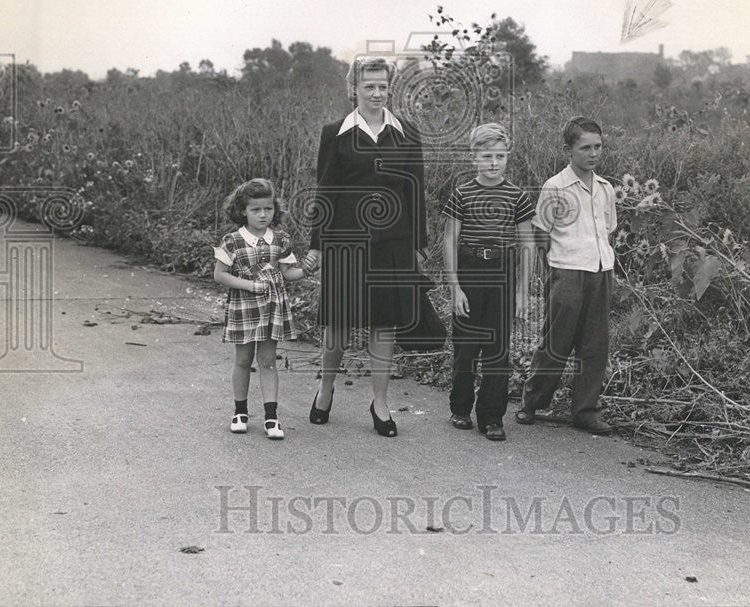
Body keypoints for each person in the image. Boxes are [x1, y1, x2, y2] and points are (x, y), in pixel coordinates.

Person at [304, 57, 429, 437]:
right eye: (368, 86)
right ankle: (325, 390)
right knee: (339, 325)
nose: (376, 93)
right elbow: (325, 190)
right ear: (353, 89)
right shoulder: (335, 133)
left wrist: (418, 244)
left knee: (383, 324)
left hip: (391, 243)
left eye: (381, 86)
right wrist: (317, 246)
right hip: (345, 242)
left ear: (390, 88)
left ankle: (380, 403)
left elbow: (414, 191)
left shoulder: (407, 132)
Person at [515, 117, 618, 435]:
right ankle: (532, 403)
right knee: (556, 342)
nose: (593, 154)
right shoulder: (555, 186)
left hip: (600, 272)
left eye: (598, 147)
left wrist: (598, 261)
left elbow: (608, 230)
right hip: (567, 274)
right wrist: (556, 271)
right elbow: (541, 234)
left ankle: (585, 411)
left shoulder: (605, 188)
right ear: (568, 150)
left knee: (595, 344)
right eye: (585, 147)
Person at [443, 123, 535, 441]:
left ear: (508, 157)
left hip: (502, 273)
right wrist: (455, 288)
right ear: (474, 158)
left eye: (500, 156)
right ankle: (460, 407)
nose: (494, 162)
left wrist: (522, 292)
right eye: (487, 156)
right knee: (466, 348)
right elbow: (450, 241)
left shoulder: (517, 196)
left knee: (497, 349)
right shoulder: (462, 194)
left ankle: (492, 416)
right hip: (469, 271)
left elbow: (528, 244)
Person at [213, 178, 311, 440]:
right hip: (244, 308)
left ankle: (271, 417)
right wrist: (248, 284)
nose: (262, 214)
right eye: (255, 209)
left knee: (268, 361)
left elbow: (288, 273)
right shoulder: (232, 241)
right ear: (243, 210)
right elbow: (220, 275)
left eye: (267, 209)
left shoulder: (280, 240)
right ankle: (240, 412)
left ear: (274, 210)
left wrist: (309, 268)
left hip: (271, 309)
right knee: (243, 360)